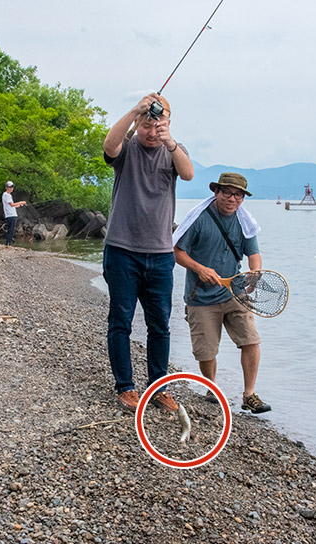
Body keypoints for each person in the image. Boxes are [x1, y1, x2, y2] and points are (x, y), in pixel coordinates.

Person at [102, 92, 194, 412]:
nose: (152, 131)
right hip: (121, 250)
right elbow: (109, 146)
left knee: (160, 325)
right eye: (147, 125)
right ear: (139, 124)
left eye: (159, 124)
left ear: (168, 123)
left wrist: (170, 141)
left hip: (160, 254)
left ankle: (159, 387)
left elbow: (188, 173)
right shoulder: (127, 149)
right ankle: (125, 387)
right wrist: (134, 111)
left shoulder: (174, 151)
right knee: (121, 322)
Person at [173, 172, 272, 414]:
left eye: (238, 194)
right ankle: (212, 388)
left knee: (251, 340)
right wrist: (199, 268)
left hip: (235, 293)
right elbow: (177, 251)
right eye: (226, 192)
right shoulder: (199, 219)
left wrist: (255, 272)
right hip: (201, 296)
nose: (232, 198)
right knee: (206, 351)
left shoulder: (244, 221)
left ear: (242, 198)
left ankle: (249, 395)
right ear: (216, 192)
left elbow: (254, 254)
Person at [2, 181, 26, 246]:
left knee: (11, 230)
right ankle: (8, 244)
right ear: (6, 187)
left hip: (12, 214)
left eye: (12, 187)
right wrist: (21, 202)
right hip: (10, 215)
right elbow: (12, 204)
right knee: (11, 230)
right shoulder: (6, 195)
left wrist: (20, 205)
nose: (11, 188)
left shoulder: (9, 195)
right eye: (9, 187)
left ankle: (8, 243)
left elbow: (12, 205)